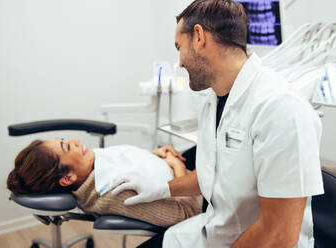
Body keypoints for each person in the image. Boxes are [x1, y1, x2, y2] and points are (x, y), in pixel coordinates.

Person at [110, 0, 324, 247]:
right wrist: (162, 188)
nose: (179, 63)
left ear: (199, 37)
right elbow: (213, 174)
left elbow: (278, 235)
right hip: (213, 232)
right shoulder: (213, 99)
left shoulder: (281, 109)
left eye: (179, 47)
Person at [6, 138, 202, 227]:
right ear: (68, 178)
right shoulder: (115, 190)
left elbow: (125, 161)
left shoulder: (91, 165)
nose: (76, 141)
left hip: (179, 172)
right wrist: (176, 165)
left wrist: (155, 155)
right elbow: (189, 214)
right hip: (201, 195)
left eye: (65, 140)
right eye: (67, 147)